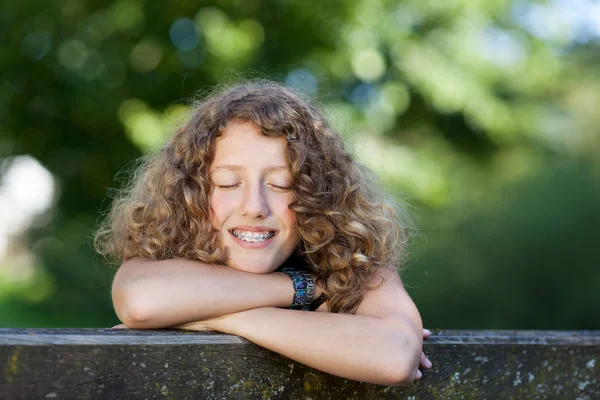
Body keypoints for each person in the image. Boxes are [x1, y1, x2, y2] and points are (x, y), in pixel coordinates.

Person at [94, 81, 432, 387]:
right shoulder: (166, 261)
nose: (255, 206)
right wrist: (305, 288)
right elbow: (141, 301)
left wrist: (213, 317)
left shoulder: (355, 263)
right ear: (191, 193)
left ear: (319, 196)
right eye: (228, 183)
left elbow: (394, 356)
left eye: (280, 184)